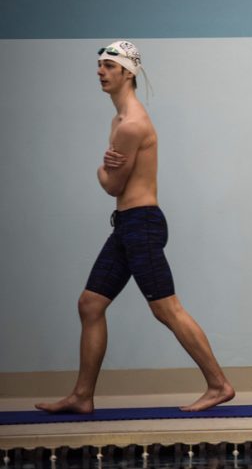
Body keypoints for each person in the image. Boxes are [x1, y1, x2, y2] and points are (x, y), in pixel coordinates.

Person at [36, 41, 234, 414]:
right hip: (127, 225)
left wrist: (100, 167)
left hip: (140, 225)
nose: (100, 71)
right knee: (90, 304)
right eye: (98, 65)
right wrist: (107, 169)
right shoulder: (119, 120)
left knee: (167, 309)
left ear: (128, 72)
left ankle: (219, 384)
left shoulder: (131, 124)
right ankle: (82, 395)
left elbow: (112, 185)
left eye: (108, 66)